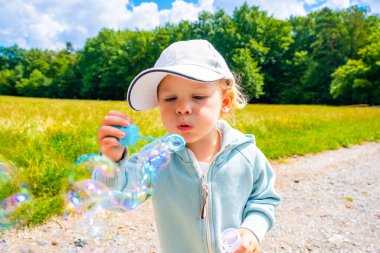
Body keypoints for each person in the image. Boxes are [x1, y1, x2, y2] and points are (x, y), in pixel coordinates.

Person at [95, 39, 281, 253]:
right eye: (170, 98)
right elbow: (115, 200)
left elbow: (264, 197)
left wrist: (252, 230)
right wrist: (111, 161)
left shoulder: (245, 154)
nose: (182, 108)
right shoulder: (155, 158)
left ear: (225, 102)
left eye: (198, 96)